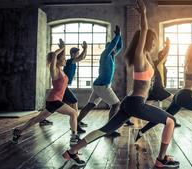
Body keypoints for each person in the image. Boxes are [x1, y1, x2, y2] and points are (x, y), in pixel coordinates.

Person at [62, 0, 180, 168]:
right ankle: (161, 159)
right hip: (136, 104)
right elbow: (144, 30)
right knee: (170, 121)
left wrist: (167, 48)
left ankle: (72, 151)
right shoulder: (140, 57)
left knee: (106, 129)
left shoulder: (146, 58)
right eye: (152, 41)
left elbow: (157, 58)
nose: (154, 44)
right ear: (146, 41)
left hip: (130, 102)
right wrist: (144, 14)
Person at [134, 25, 192, 148]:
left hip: (179, 96)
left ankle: (141, 131)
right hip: (184, 96)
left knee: (164, 116)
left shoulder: (189, 63)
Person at [12, 39, 80, 145]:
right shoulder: (55, 71)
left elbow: (59, 58)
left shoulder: (61, 70)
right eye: (63, 59)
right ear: (57, 61)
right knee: (74, 113)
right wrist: (61, 49)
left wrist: (63, 49)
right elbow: (54, 57)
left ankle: (18, 131)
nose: (65, 60)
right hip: (54, 101)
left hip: (53, 100)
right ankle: (74, 137)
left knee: (37, 119)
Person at [77, 25, 133, 137]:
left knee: (90, 105)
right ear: (108, 49)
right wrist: (117, 35)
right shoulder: (105, 55)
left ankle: (76, 123)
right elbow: (113, 45)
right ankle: (109, 129)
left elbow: (120, 47)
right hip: (102, 86)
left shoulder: (112, 55)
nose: (114, 49)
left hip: (99, 85)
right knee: (116, 105)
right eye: (112, 48)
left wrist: (120, 36)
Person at [40, 41, 88, 134]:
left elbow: (83, 57)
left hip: (64, 86)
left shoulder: (71, 62)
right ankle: (76, 123)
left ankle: (75, 121)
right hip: (63, 86)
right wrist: (85, 48)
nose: (78, 55)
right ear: (73, 54)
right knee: (73, 101)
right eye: (77, 53)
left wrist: (85, 50)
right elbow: (82, 57)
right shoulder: (70, 61)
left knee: (53, 106)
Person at [145, 37, 181, 127]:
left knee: (142, 108)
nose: (166, 58)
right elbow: (164, 55)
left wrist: (165, 47)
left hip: (154, 89)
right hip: (159, 89)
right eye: (164, 57)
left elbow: (163, 55)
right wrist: (168, 46)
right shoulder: (159, 64)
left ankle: (126, 116)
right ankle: (170, 120)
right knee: (176, 102)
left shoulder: (158, 64)